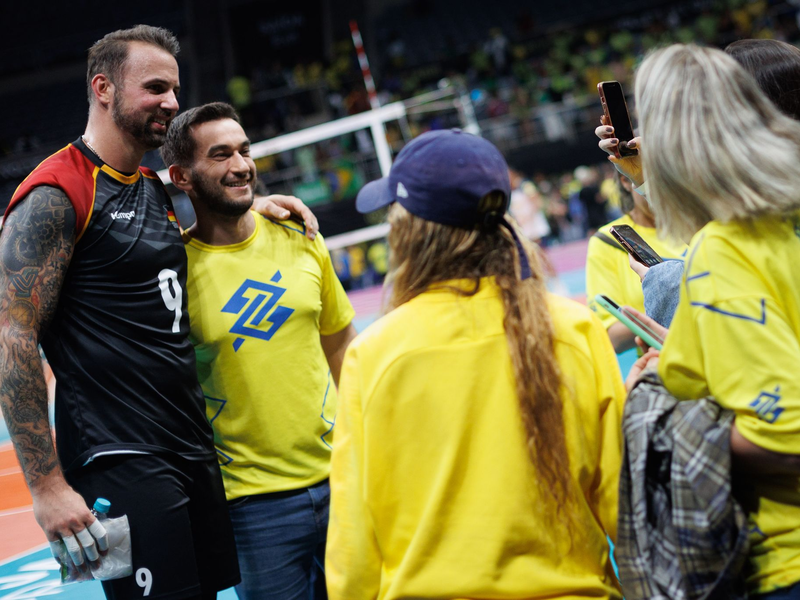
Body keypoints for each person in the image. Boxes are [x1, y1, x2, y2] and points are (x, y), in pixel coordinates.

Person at [0, 26, 316, 600]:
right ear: (103, 88)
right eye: (155, 88)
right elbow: (11, 335)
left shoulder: (149, 185)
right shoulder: (55, 192)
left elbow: (199, 210)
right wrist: (45, 487)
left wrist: (256, 204)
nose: (171, 104)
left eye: (174, 89)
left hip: (189, 444)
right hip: (119, 454)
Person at [326, 129, 625, 600]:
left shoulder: (376, 354)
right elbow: (623, 508)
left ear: (407, 231)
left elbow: (354, 539)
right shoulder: (575, 329)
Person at [161, 102, 357, 600]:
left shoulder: (301, 235)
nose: (241, 165)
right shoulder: (173, 273)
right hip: (252, 507)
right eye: (221, 155)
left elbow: (342, 348)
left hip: (344, 479)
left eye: (245, 151)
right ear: (182, 176)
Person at [625, 44, 800, 599]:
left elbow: (787, 428)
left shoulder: (720, 253)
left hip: (781, 557)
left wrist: (681, 430)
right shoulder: (776, 229)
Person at [585, 173, 685, 352]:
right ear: (625, 180)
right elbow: (612, 336)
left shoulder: (693, 226)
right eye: (651, 175)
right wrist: (669, 305)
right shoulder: (607, 242)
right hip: (665, 361)